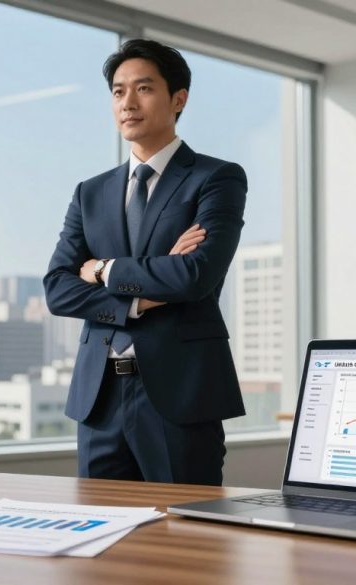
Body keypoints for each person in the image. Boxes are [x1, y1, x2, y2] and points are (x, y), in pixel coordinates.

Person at [43, 39, 247, 485]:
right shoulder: (90, 192)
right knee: (101, 539)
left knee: (188, 539)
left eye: (143, 89)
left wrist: (102, 271)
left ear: (178, 99)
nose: (127, 103)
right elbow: (57, 288)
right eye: (118, 92)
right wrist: (138, 301)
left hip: (180, 396)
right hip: (99, 398)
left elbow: (195, 275)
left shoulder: (216, 178)